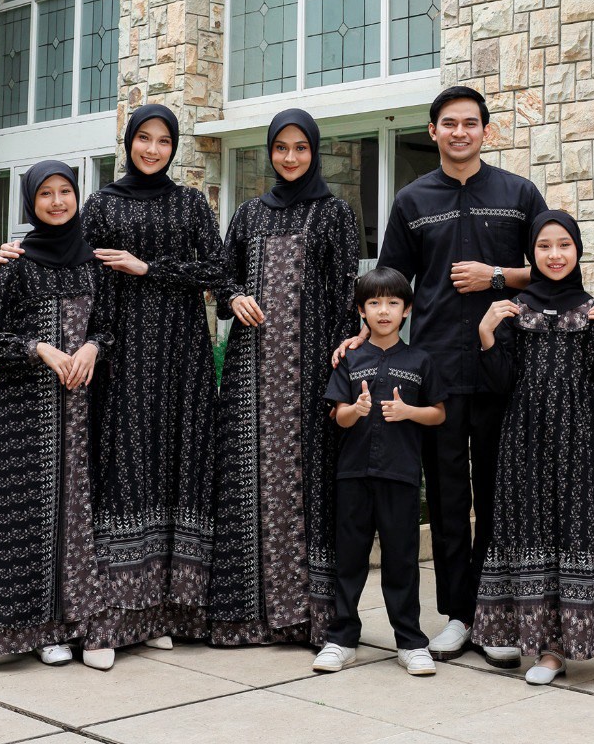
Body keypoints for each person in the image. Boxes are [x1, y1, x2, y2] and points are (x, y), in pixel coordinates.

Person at [0, 105, 227, 667]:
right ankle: (114, 618)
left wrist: (148, 268)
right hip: (119, 353)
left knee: (175, 469)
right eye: (144, 138)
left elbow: (219, 273)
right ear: (128, 142)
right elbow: (66, 254)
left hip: (182, 357)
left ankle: (163, 615)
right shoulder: (101, 204)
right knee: (125, 471)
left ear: (174, 146)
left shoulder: (191, 203)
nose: (152, 149)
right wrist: (15, 251)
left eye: (163, 140)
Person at [334, 85, 547, 666]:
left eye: (470, 123)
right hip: (434, 373)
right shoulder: (412, 200)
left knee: (501, 494)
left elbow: (552, 266)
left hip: (504, 368)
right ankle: (459, 615)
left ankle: (499, 615)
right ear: (432, 131)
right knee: (450, 499)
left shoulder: (519, 194)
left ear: (486, 131)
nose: (460, 132)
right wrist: (361, 334)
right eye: (448, 123)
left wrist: (495, 276)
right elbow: (389, 281)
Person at [0, 162, 111, 676]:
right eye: (46, 194)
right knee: (3, 518)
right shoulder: (16, 264)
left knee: (62, 521)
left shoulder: (94, 263)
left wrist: (93, 346)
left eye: (65, 191)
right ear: (31, 202)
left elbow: (108, 327)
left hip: (76, 417)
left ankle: (48, 631)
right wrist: (39, 348)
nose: (57, 202)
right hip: (18, 416)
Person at [472, 211, 594, 686]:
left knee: (593, 532)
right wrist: (487, 335)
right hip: (525, 442)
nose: (555, 255)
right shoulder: (513, 311)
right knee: (536, 533)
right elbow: (500, 384)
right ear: (531, 252)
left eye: (564, 245)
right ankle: (550, 650)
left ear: (578, 250)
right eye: (545, 246)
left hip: (580, 441)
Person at [210, 108, 360, 646]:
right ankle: (245, 618)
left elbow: (346, 295)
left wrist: (341, 368)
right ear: (269, 152)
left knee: (309, 485)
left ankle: (313, 618)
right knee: (246, 483)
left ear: (313, 151)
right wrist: (234, 296)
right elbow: (223, 275)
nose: (290, 157)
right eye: (281, 148)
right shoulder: (249, 214)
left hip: (311, 372)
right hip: (250, 375)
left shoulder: (335, 214)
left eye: (300, 148)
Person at [317, 267, 447, 675]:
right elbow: (338, 415)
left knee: (401, 561)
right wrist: (354, 410)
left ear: (406, 310)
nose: (384, 310)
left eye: (393, 303)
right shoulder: (350, 359)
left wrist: (409, 412)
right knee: (349, 559)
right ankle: (342, 639)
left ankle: (410, 642)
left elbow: (438, 413)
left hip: (400, 475)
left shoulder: (420, 360)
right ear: (362, 311)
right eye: (374, 303)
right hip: (353, 474)